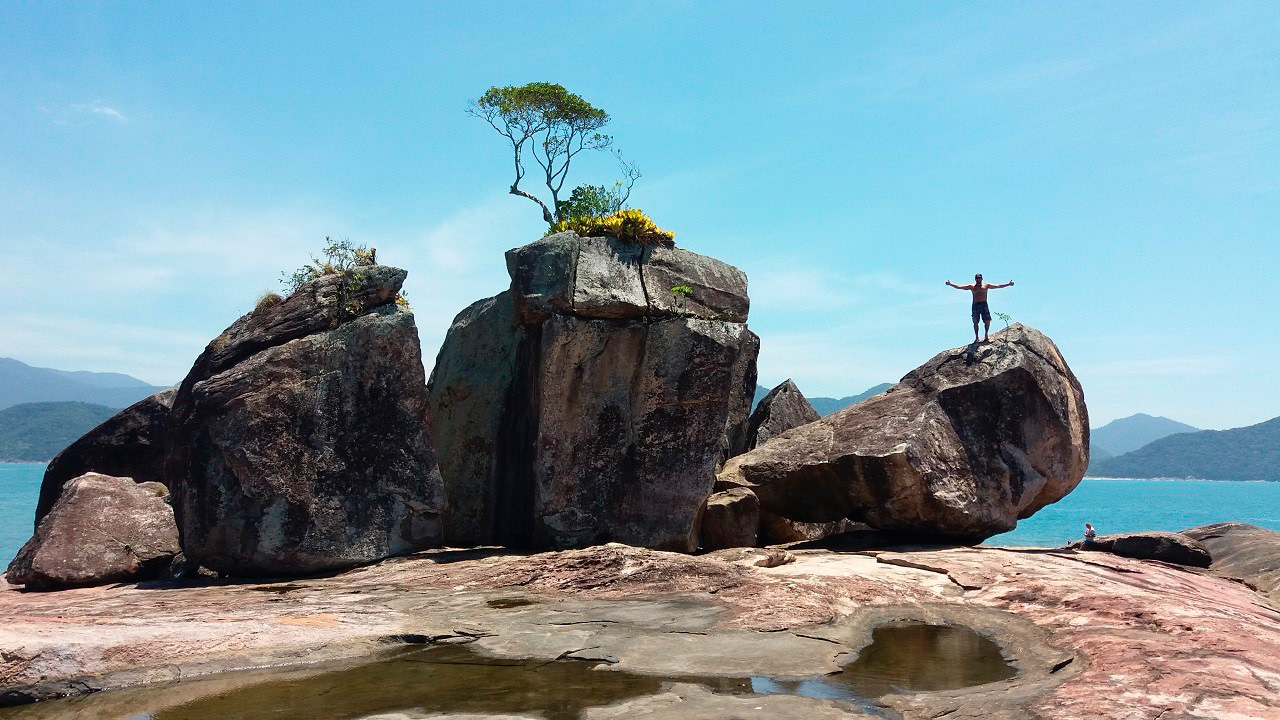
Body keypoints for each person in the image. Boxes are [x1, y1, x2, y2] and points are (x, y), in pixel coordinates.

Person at [945, 274, 1014, 343]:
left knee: (987, 320)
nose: (978, 279)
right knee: (975, 322)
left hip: (984, 304)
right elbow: (960, 287)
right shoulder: (972, 287)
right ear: (975, 279)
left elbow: (998, 286)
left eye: (979, 278)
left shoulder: (986, 286)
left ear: (982, 279)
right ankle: (976, 337)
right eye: (977, 278)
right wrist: (950, 284)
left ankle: (986, 335)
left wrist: (1008, 284)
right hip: (975, 305)